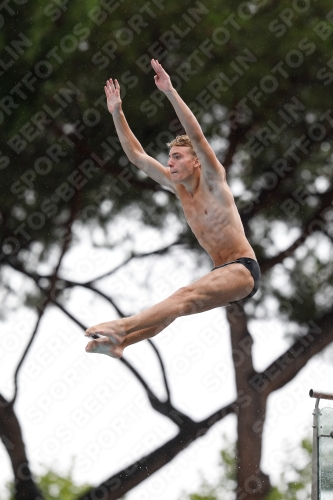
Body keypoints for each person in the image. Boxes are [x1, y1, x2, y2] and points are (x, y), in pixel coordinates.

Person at [85, 59, 260, 358]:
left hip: (242, 269)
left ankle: (121, 328)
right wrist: (117, 113)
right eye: (169, 158)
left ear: (195, 162)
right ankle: (121, 344)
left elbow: (197, 137)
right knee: (176, 308)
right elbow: (137, 156)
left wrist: (169, 91)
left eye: (177, 157)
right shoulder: (177, 188)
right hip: (222, 270)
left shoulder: (214, 182)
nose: (170, 163)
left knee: (181, 296)